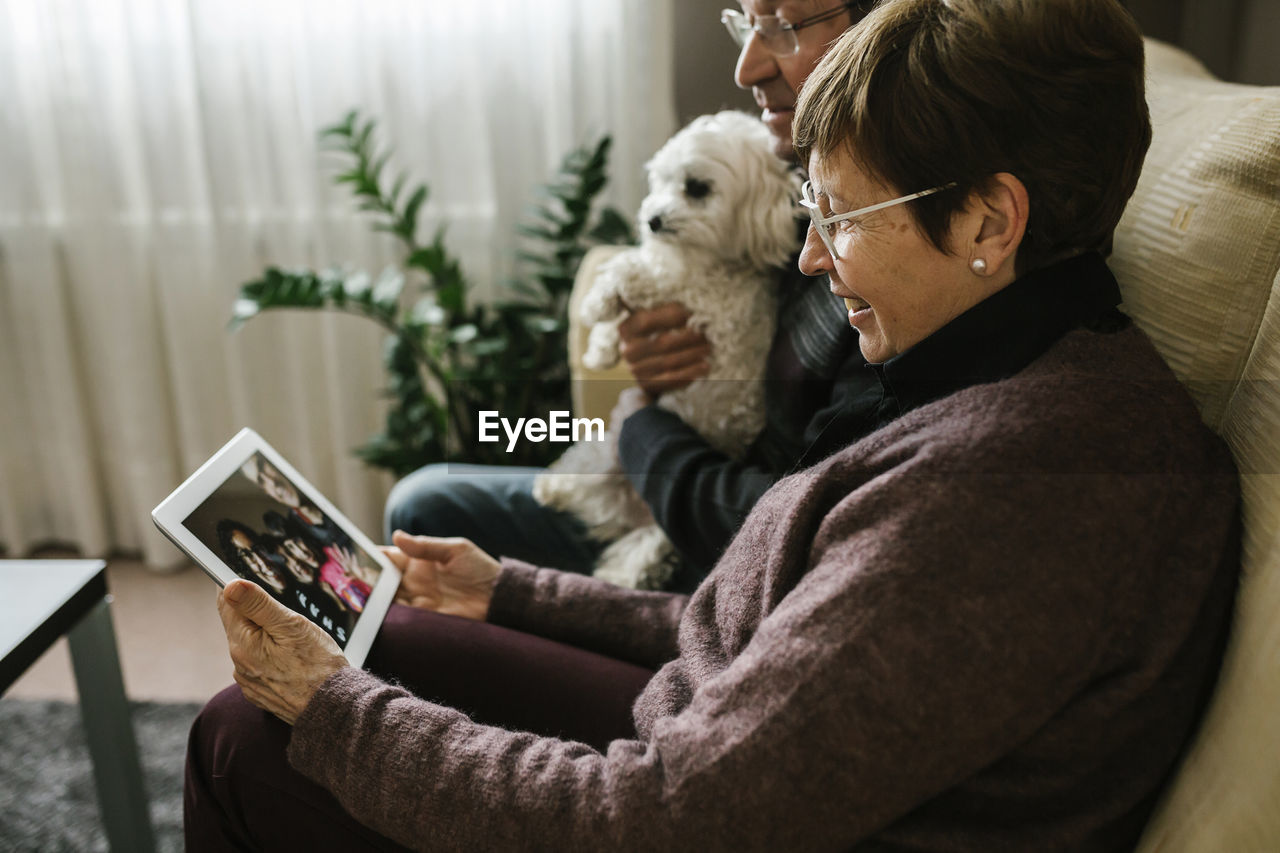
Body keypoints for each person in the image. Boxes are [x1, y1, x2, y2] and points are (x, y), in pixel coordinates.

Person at [186, 1, 1241, 849]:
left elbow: (650, 815)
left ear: (985, 219)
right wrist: (504, 588)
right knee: (398, 625)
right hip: (716, 724)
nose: (815, 260)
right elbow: (797, 624)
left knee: (254, 730)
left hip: (684, 789)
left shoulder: (1000, 499)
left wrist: (340, 714)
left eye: (839, 218)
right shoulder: (1007, 366)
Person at [384, 1, 873, 590]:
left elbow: (781, 526)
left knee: (425, 522)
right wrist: (655, 360)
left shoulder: (882, 273)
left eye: (783, 25)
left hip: (720, 551)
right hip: (677, 478)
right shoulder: (795, 208)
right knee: (423, 503)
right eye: (746, 23)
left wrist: (642, 423)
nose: (745, 68)